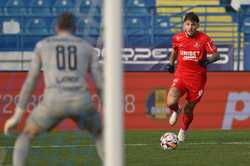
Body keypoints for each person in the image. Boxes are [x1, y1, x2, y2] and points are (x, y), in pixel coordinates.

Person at [4, 12, 103, 165]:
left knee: (26, 134)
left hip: (52, 103)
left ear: (56, 27)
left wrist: (17, 116)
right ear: (75, 28)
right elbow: (100, 85)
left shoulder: (42, 45)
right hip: (81, 102)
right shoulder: (87, 48)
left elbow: (31, 81)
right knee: (99, 133)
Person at [166, 12, 220, 142]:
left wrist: (207, 61)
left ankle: (183, 130)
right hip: (181, 75)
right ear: (184, 25)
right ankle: (176, 110)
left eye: (193, 24)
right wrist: (170, 63)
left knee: (189, 108)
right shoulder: (177, 38)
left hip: (197, 79)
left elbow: (217, 55)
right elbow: (174, 51)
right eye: (187, 24)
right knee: (170, 102)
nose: (190, 27)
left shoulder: (204, 39)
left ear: (198, 25)